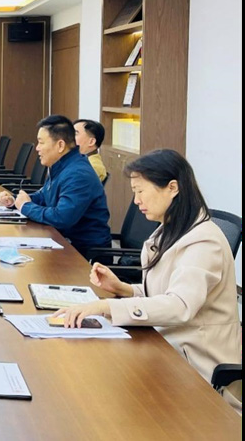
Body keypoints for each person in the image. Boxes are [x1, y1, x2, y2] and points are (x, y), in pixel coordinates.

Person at [53, 149, 241, 410]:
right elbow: (163, 294)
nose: (136, 200)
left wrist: (107, 306)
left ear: (172, 188)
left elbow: (179, 305)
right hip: (166, 347)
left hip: (197, 368)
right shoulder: (170, 230)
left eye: (140, 191)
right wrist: (123, 289)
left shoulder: (204, 241)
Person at [0, 115, 111, 258]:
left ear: (60, 145)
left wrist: (26, 207)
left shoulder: (78, 174)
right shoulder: (62, 165)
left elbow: (62, 218)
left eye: (41, 142)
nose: (37, 148)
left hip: (84, 255)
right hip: (63, 243)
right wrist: (14, 201)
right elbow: (44, 196)